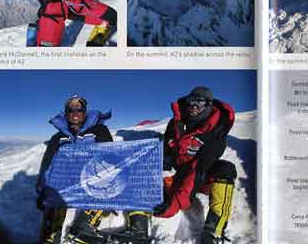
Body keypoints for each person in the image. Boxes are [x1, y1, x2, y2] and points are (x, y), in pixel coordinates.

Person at [116, 87, 237, 244]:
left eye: (200, 102)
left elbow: (198, 169)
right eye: (192, 101)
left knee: (225, 169)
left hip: (200, 178)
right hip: (176, 175)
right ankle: (138, 228)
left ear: (208, 105)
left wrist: (175, 204)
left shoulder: (217, 133)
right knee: (141, 165)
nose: (194, 106)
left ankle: (214, 231)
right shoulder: (176, 124)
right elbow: (166, 147)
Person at [36, 95, 113, 243]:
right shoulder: (58, 138)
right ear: (66, 113)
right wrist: (42, 189)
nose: (75, 112)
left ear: (85, 111)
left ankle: (83, 229)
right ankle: (51, 235)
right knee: (54, 195)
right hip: (66, 182)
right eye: (71, 109)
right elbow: (48, 165)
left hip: (90, 180)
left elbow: (109, 156)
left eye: (79, 108)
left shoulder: (99, 130)